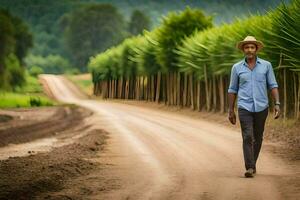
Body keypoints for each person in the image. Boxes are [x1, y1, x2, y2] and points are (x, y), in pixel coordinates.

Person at [227, 36, 281, 178]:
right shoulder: (236, 68)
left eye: (252, 47)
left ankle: (252, 163)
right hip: (244, 107)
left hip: (262, 107)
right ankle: (249, 167)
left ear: (256, 49)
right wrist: (230, 110)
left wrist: (277, 104)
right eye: (247, 47)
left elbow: (273, 85)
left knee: (258, 137)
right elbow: (232, 89)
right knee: (247, 136)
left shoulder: (266, 66)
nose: (249, 50)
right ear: (243, 50)